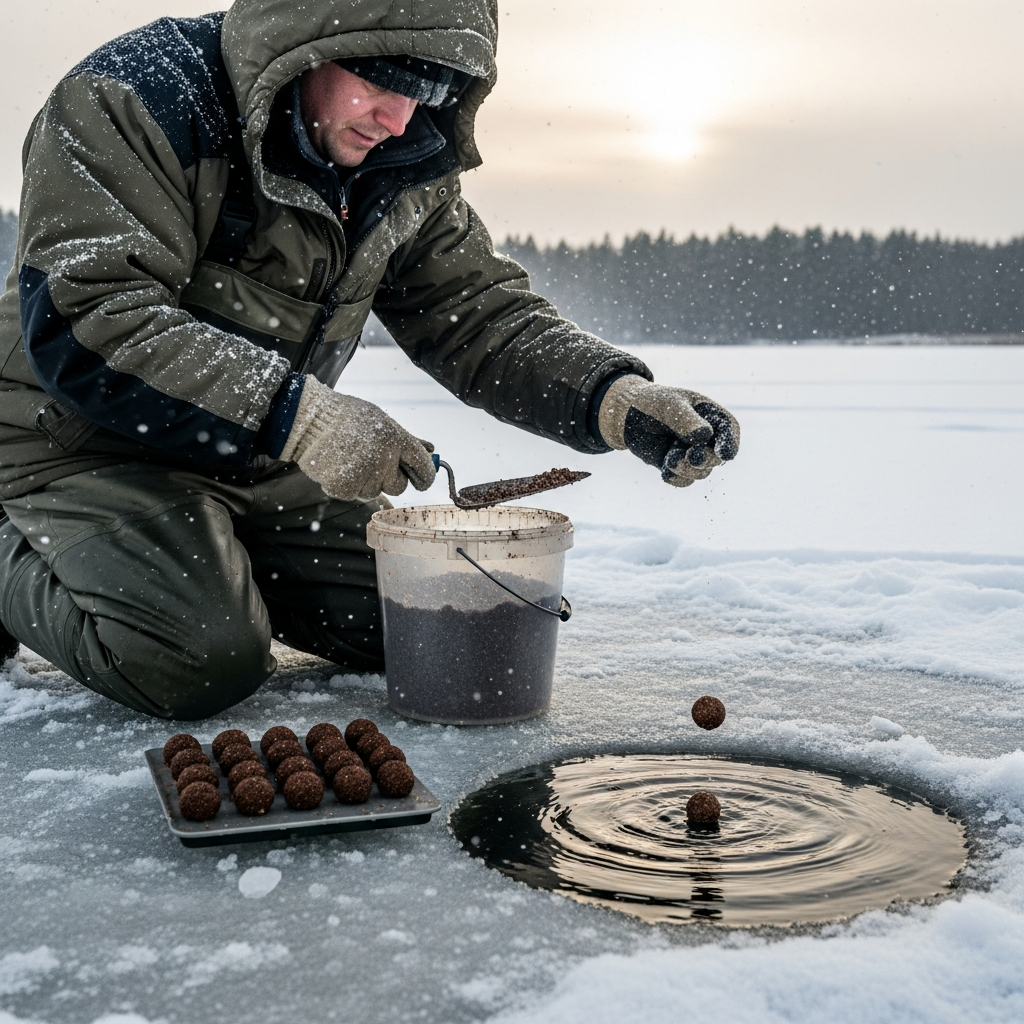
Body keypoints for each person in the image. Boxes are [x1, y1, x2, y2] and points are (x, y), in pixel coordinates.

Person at [0, 0, 739, 719]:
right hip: (77, 441)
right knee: (199, 661)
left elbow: (477, 315)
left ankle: (209, 557)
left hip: (255, 456)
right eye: (383, 81)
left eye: (429, 95)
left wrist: (611, 396)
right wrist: (302, 419)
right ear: (301, 42)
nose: (398, 120)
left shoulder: (399, 164)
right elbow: (93, 316)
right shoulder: (134, 98)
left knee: (436, 624)